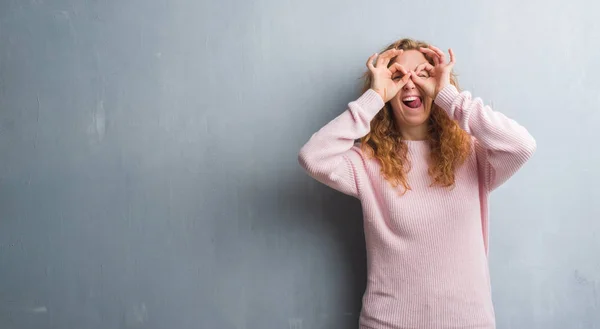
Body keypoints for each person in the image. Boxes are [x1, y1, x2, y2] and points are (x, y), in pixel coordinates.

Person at [297, 38, 536, 329]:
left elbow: (521, 146)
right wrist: (373, 97)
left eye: (422, 74)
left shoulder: (474, 155)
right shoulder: (366, 162)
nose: (410, 84)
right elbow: (313, 157)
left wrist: (450, 97)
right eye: (398, 76)